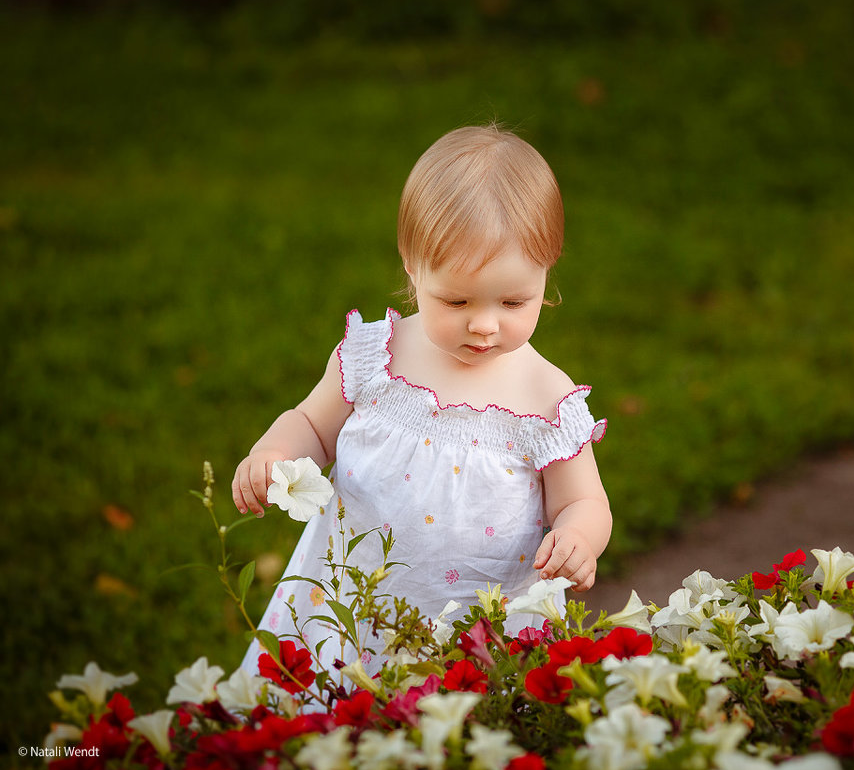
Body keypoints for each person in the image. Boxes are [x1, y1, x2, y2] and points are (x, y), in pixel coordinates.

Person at [231, 124, 611, 675]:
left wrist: (578, 537)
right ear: (412, 266)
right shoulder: (375, 359)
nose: (484, 324)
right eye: (456, 300)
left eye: (513, 300)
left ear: (546, 270)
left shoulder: (546, 401)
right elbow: (313, 427)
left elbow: (584, 502)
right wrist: (275, 455)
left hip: (476, 628)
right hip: (346, 611)